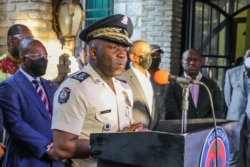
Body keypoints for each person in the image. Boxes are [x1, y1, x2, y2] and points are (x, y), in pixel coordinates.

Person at [52, 14, 146, 167]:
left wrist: (136, 130)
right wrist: (117, 142)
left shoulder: (124, 88)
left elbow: (123, 127)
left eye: (125, 48)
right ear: (93, 53)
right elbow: (63, 147)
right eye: (114, 48)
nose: (123, 55)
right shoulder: (75, 88)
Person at [0, 39, 59, 167]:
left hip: (53, 159)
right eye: (36, 56)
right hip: (25, 159)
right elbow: (14, 123)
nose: (42, 59)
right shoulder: (9, 86)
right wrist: (46, 147)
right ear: (22, 59)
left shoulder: (50, 86)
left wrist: (59, 143)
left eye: (44, 56)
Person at [162, 48, 224, 119]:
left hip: (206, 128)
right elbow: (170, 110)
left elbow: (218, 109)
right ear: (182, 62)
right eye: (188, 60)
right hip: (181, 128)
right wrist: (186, 125)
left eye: (195, 60)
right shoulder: (172, 85)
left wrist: (204, 124)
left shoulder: (211, 85)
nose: (192, 63)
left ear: (200, 62)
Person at [120, 40, 163, 130]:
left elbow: (161, 108)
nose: (148, 56)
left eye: (149, 53)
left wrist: (158, 131)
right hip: (133, 137)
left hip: (154, 136)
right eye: (144, 53)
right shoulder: (122, 79)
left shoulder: (154, 79)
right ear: (132, 57)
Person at [224, 49, 250, 167]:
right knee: (233, 156)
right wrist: (237, 111)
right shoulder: (231, 73)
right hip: (235, 120)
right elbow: (228, 98)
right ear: (244, 57)